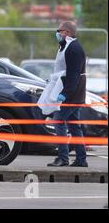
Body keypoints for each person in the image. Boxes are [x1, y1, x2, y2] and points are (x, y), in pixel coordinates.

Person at [47, 21, 88, 167]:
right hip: (74, 92)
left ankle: (63, 158)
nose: (57, 33)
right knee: (74, 126)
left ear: (67, 32)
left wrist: (65, 93)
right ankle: (81, 159)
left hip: (72, 94)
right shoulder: (67, 46)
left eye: (60, 31)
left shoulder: (74, 49)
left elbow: (74, 75)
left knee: (59, 121)